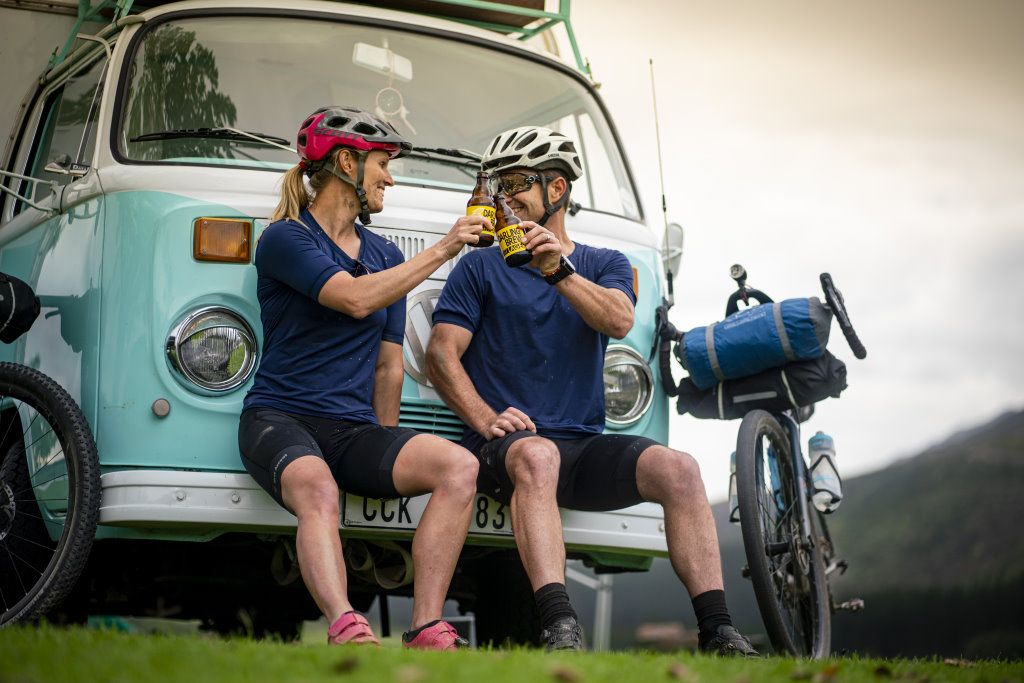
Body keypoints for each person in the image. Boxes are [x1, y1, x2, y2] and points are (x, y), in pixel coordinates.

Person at [425, 126, 758, 655]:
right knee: (536, 455)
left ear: (555, 190)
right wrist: (485, 417)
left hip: (580, 447)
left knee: (682, 469)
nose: (501, 197)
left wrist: (557, 270)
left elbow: (620, 319)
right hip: (506, 451)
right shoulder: (479, 265)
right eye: (495, 186)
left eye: (513, 183)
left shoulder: (605, 264)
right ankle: (560, 625)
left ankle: (718, 631)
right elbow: (441, 353)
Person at [239, 106, 487, 650]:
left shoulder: (385, 255)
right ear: (346, 162)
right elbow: (353, 300)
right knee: (318, 489)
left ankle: (425, 624)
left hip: (352, 430)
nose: (389, 178)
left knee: (459, 466)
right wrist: (446, 247)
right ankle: (346, 625)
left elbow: (388, 365)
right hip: (280, 418)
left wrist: (384, 452)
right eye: (382, 165)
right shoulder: (285, 238)